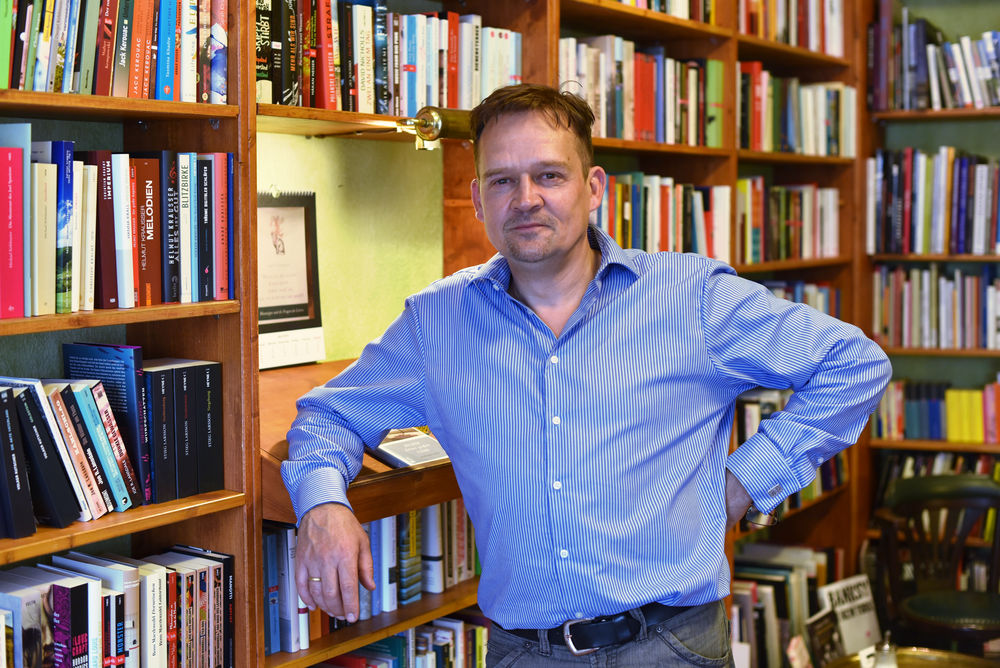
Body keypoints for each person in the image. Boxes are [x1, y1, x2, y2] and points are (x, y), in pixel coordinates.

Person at [282, 83, 892, 667]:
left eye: (549, 175)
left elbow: (853, 364)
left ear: (593, 187)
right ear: (478, 199)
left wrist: (741, 485)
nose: (526, 198)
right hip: (524, 654)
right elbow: (329, 417)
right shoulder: (435, 323)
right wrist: (323, 506)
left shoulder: (690, 298)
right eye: (502, 180)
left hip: (670, 648)